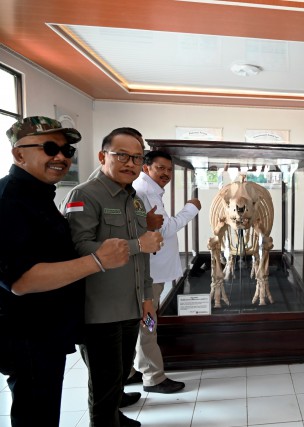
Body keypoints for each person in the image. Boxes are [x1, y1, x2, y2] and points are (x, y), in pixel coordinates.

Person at [0, 116, 129, 427]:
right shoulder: (10, 199)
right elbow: (20, 280)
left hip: (46, 331)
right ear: (19, 154)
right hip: (28, 334)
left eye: (67, 150)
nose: (60, 157)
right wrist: (98, 261)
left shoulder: (38, 195)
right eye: (49, 148)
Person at [63, 127, 163, 427]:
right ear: (102, 156)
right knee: (104, 382)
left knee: (119, 374)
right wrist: (137, 245)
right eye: (121, 155)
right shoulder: (84, 195)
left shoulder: (134, 200)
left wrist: (147, 298)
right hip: (99, 311)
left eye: (137, 157)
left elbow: (143, 257)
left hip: (130, 307)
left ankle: (115, 417)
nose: (130, 163)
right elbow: (78, 248)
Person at [127, 150, 200, 393]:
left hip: (152, 272)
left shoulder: (149, 190)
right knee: (147, 323)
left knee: (143, 321)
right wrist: (190, 208)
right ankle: (153, 376)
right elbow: (165, 229)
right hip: (149, 275)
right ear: (146, 168)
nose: (166, 173)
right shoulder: (145, 192)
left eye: (169, 169)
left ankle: (132, 370)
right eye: (160, 168)